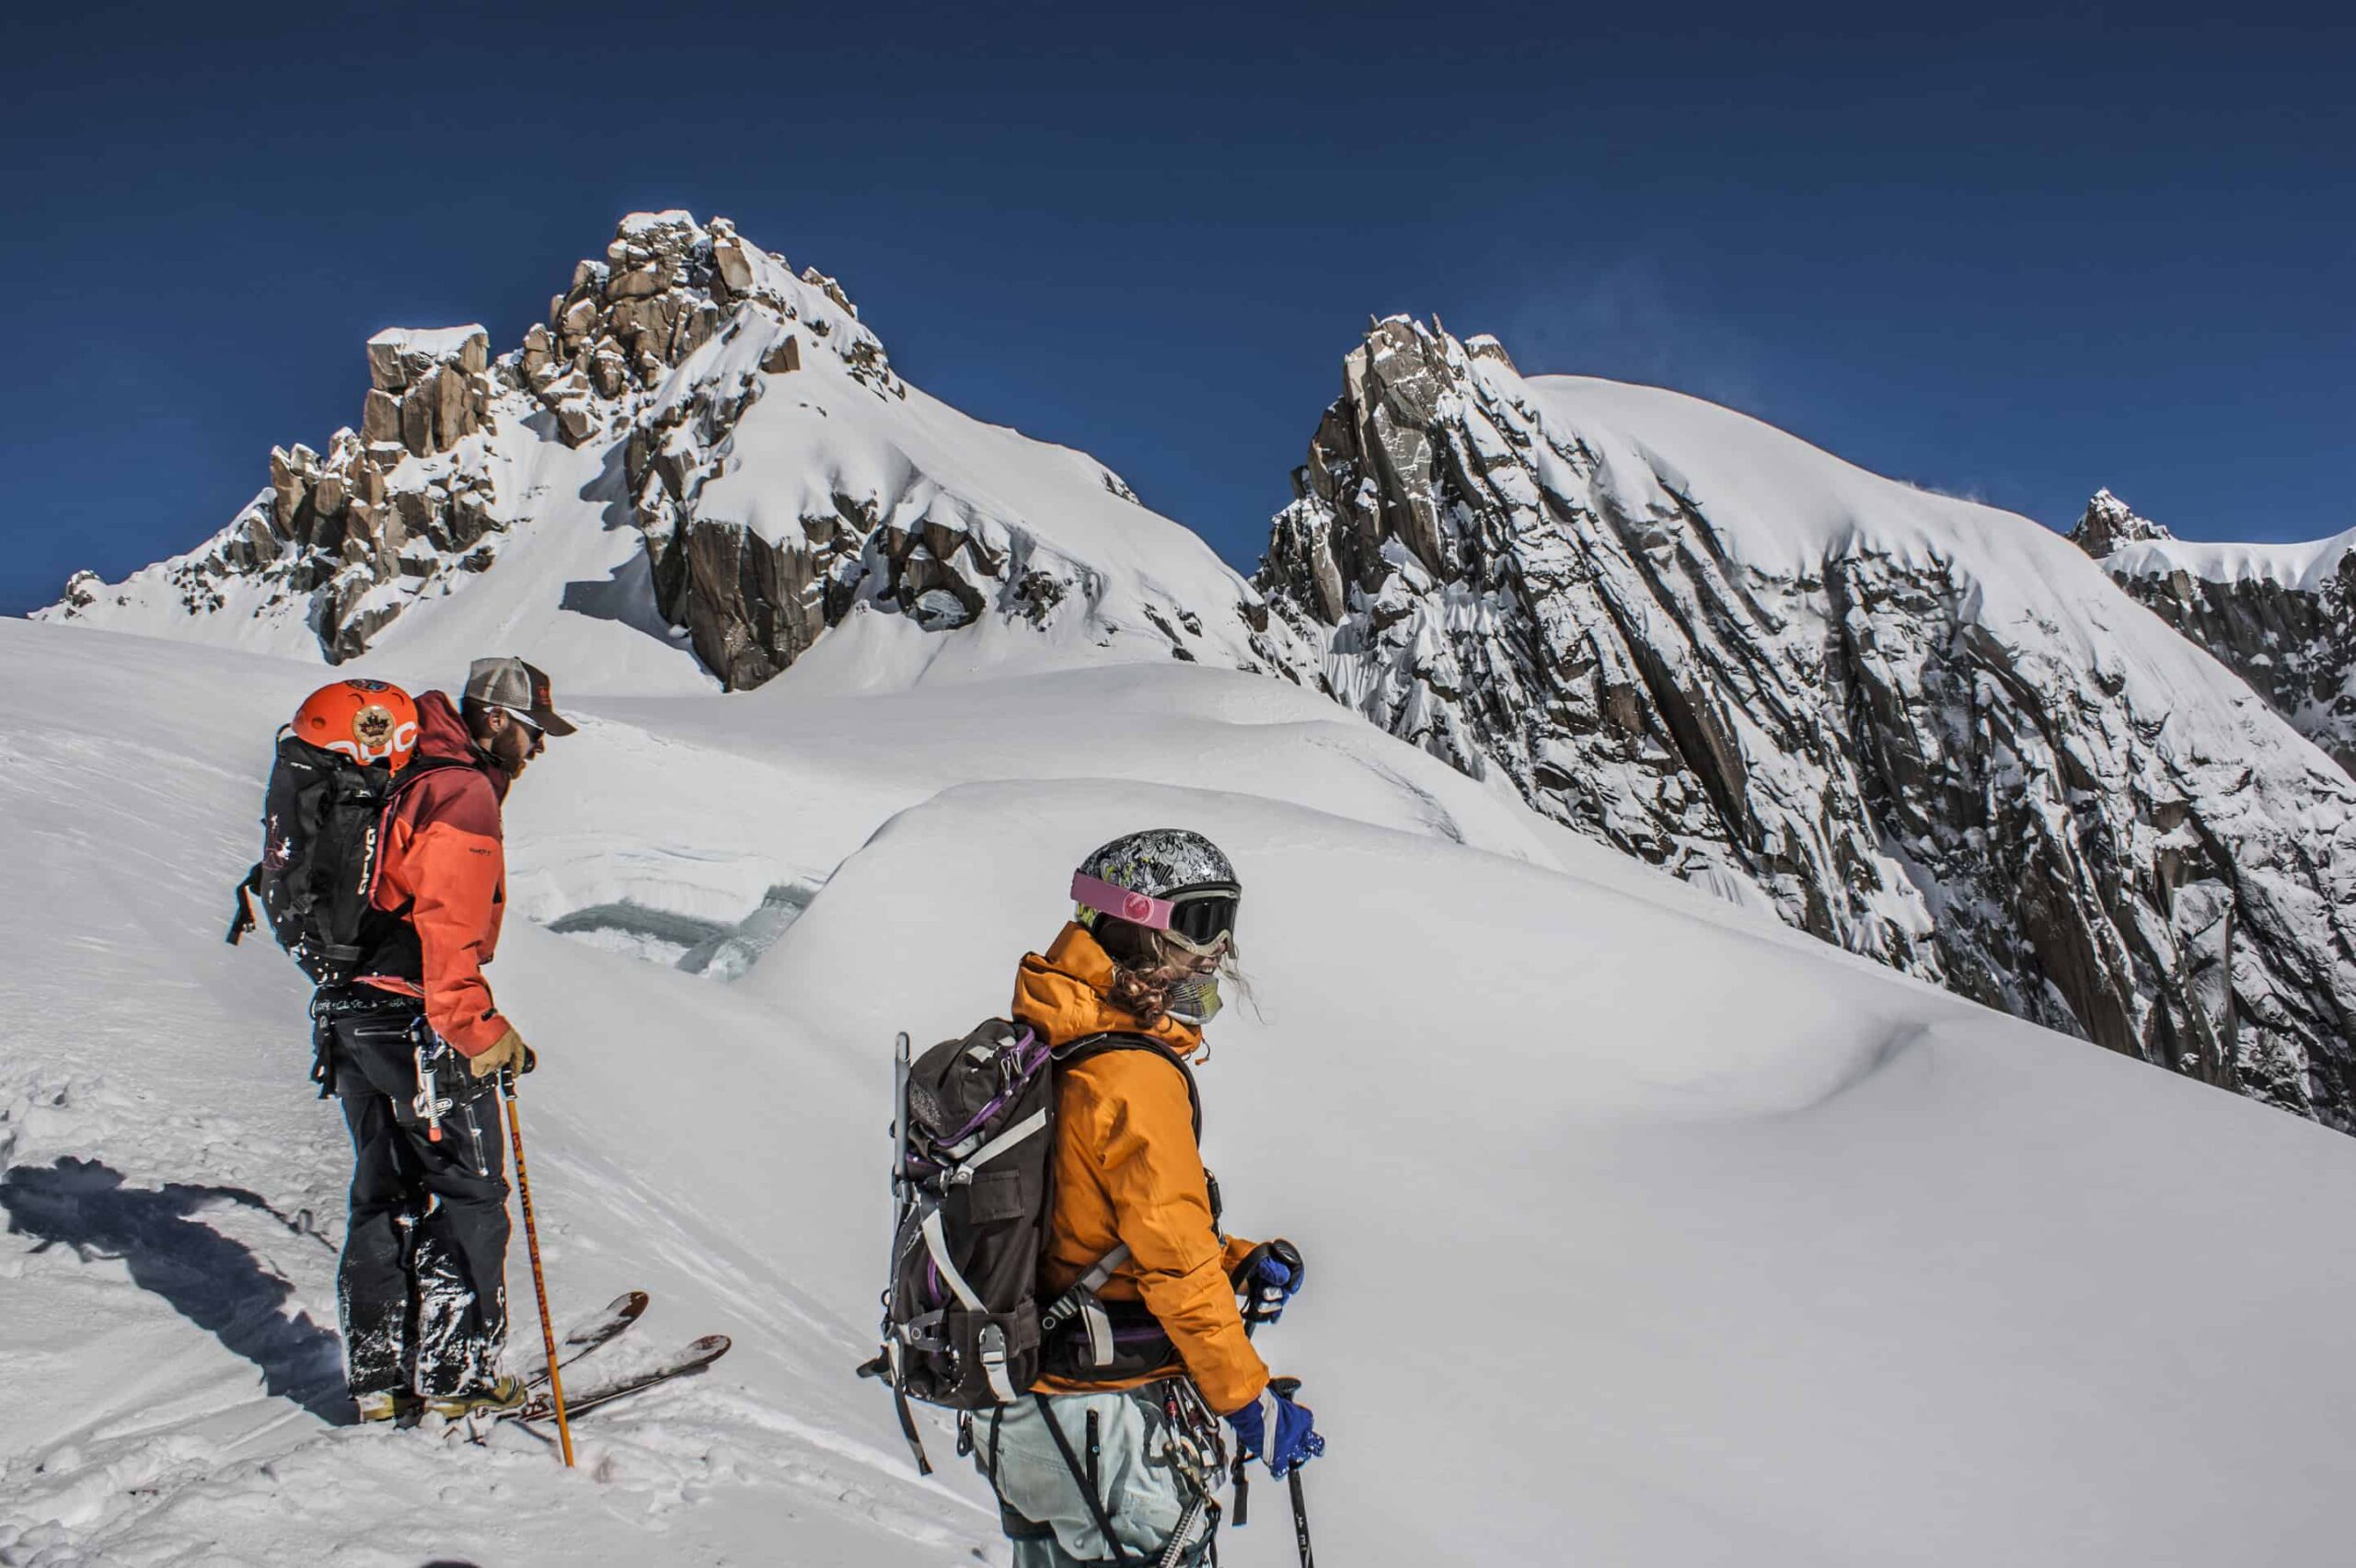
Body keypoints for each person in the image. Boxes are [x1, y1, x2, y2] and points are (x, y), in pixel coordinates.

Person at [975, 829, 1325, 1566]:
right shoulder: (1133, 1078)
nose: (1219, 949)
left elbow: (1084, 1224)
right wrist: (1249, 1403)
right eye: (1200, 921)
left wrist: (1236, 1259)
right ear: (1137, 925)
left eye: (1228, 920)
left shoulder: (1052, 1036)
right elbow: (1176, 1268)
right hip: (1108, 1428)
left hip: (1030, 1419)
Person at [306, 656, 575, 1423]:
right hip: (417, 1021)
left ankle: (379, 1379)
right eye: (532, 731)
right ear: (494, 720)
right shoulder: (460, 790)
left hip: (351, 1015)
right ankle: (458, 1375)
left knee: (382, 1192)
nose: (538, 747)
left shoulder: (407, 773)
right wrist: (477, 1029)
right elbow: (447, 922)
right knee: (470, 1191)